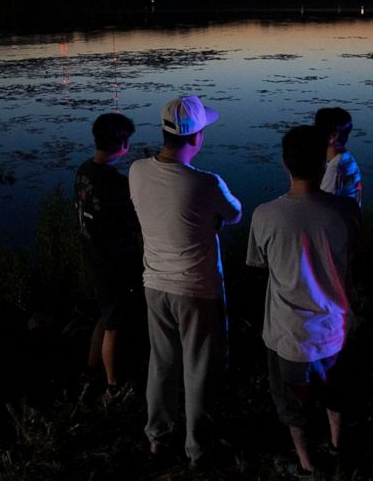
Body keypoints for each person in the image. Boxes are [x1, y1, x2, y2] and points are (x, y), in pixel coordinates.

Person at [129, 95, 242, 468]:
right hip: (196, 291)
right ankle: (198, 450)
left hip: (154, 285)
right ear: (195, 138)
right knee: (199, 369)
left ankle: (157, 439)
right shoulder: (206, 183)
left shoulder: (137, 171)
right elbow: (235, 214)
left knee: (161, 363)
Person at [246, 125, 361, 476]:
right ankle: (338, 451)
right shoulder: (345, 212)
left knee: (294, 407)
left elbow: (257, 264)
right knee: (336, 396)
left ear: (284, 163)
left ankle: (307, 465)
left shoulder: (266, 215)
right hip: (335, 330)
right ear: (322, 163)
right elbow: (355, 257)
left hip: (289, 336)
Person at [75, 112, 144, 404]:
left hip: (93, 258)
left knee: (104, 317)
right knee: (115, 325)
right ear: (123, 143)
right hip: (113, 266)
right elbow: (133, 220)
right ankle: (113, 387)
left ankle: (90, 371)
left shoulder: (84, 170)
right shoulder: (116, 183)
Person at [314, 107, 362, 206]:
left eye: (316, 129)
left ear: (332, 137)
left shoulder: (336, 168)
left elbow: (323, 207)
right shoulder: (346, 159)